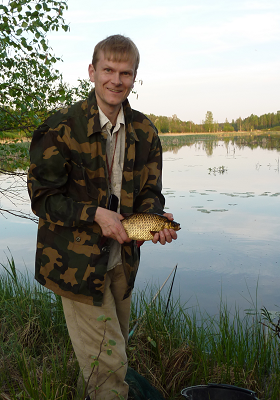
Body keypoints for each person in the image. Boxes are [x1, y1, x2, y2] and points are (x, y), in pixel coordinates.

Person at [27, 34, 177, 400]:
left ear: (134, 78)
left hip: (121, 263)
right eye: (108, 70)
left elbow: (149, 194)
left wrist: (154, 219)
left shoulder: (146, 131)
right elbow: (43, 200)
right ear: (92, 72)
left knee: (104, 363)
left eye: (125, 73)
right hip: (75, 266)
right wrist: (95, 214)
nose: (116, 80)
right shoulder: (59, 128)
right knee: (108, 370)